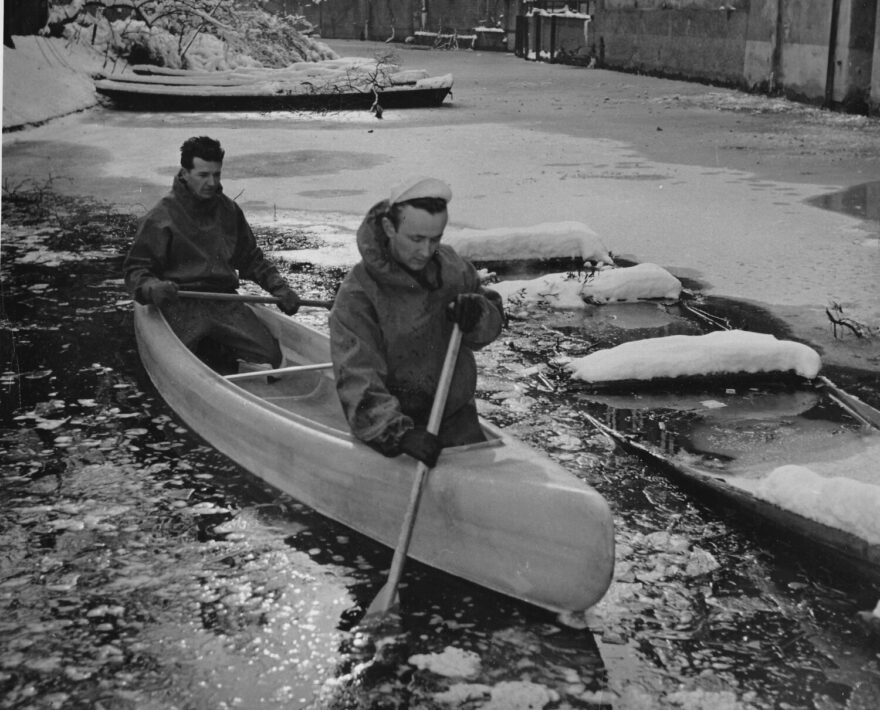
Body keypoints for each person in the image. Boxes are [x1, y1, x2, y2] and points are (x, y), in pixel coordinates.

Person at [329, 176, 505, 468]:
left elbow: (490, 324)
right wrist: (398, 434)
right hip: (393, 423)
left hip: (454, 414)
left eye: (435, 239)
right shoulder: (358, 294)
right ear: (389, 228)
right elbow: (357, 376)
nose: (426, 251)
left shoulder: (452, 268)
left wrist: (479, 314)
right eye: (416, 239)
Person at [123, 136, 301, 370]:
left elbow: (250, 258)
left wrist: (279, 287)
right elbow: (136, 270)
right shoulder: (161, 216)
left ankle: (221, 351)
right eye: (203, 175)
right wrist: (152, 287)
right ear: (185, 173)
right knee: (184, 366)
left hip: (222, 300)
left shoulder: (228, 210)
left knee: (272, 359)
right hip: (179, 302)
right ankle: (210, 353)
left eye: (216, 174)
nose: (212, 182)